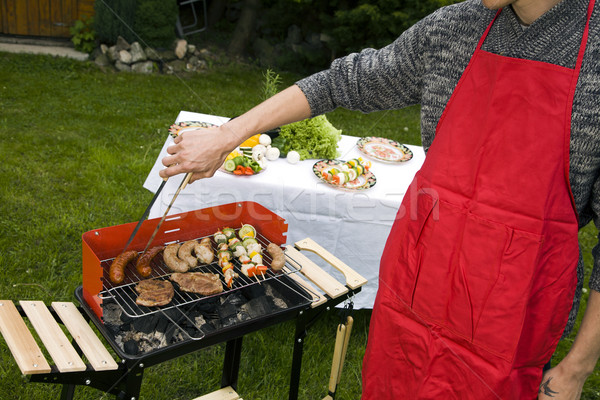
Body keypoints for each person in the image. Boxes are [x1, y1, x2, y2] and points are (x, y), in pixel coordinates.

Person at [160, 0, 600, 398]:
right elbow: (341, 83)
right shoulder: (456, 27)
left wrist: (576, 369)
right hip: (420, 280)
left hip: (511, 306)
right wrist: (228, 134)